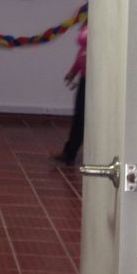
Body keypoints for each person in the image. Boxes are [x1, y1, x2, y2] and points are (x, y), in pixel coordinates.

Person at [52, 15, 87, 166]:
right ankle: (69, 152)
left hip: (97, 78)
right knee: (79, 115)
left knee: (83, 115)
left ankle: (71, 152)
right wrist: (73, 71)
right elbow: (82, 50)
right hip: (85, 76)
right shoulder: (88, 20)